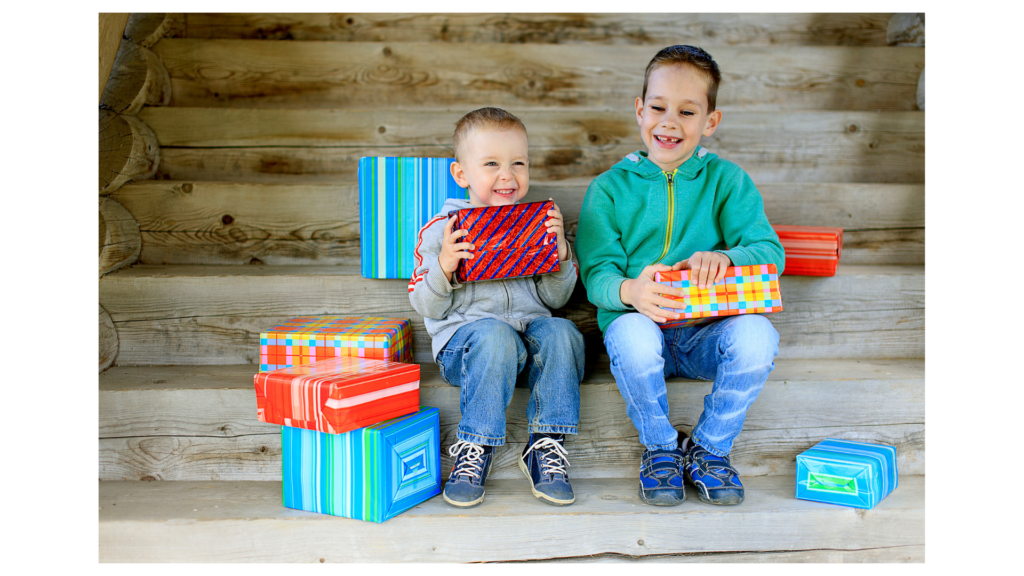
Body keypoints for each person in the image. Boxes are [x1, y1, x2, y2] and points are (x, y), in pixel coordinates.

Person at [575, 46, 785, 507]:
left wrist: (727, 258)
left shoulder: (727, 181)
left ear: (710, 121)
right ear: (639, 109)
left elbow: (771, 252)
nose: (669, 122)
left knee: (758, 337)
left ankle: (710, 449)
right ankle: (661, 448)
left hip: (707, 336)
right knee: (630, 335)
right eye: (658, 107)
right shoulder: (608, 189)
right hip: (640, 333)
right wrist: (630, 290)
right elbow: (596, 275)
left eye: (687, 111)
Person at [409, 107, 584, 508]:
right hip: (468, 348)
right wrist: (444, 268)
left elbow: (557, 300)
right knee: (494, 335)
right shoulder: (442, 230)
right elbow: (424, 302)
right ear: (461, 174)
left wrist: (559, 254)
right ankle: (474, 447)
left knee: (563, 331)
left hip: (528, 340)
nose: (508, 175)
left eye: (518, 163)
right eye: (491, 164)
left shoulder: (538, 222)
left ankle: (545, 445)